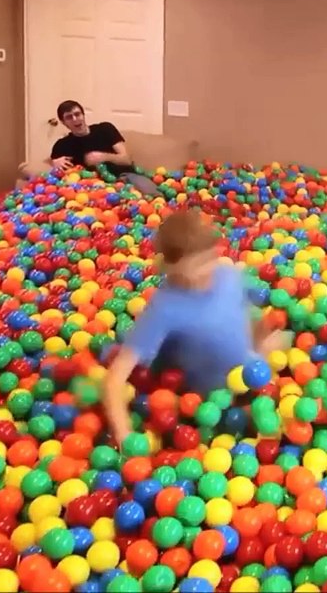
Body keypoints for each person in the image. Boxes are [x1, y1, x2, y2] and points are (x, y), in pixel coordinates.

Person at [101, 209, 292, 446]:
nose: (206, 271)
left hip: (251, 378)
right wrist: (124, 435)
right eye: (196, 265)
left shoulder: (229, 276)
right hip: (208, 405)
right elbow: (116, 378)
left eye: (208, 259)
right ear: (172, 267)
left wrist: (262, 340)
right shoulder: (164, 307)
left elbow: (240, 323)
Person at [41, 100, 160, 197]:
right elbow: (54, 174)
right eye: (69, 117)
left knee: (155, 197)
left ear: (83, 115)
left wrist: (102, 156)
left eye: (77, 114)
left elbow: (126, 159)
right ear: (63, 122)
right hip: (94, 186)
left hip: (124, 175)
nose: (75, 119)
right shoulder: (62, 145)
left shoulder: (105, 129)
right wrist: (54, 163)